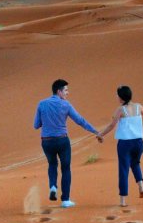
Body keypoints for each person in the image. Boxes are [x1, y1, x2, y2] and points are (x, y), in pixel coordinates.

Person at [33, 79, 101, 208]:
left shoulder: (41, 104)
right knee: (65, 168)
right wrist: (95, 131)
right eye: (66, 90)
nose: (67, 93)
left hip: (46, 141)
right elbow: (80, 120)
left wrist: (47, 120)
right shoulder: (66, 105)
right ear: (59, 91)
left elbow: (36, 125)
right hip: (62, 140)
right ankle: (65, 200)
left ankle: (53, 186)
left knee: (52, 164)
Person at [97, 85, 143, 207]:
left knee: (123, 169)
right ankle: (141, 186)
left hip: (125, 144)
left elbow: (112, 125)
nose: (116, 97)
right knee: (135, 163)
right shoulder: (138, 106)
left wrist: (100, 135)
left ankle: (123, 200)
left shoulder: (120, 110)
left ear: (121, 97)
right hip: (139, 142)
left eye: (117, 95)